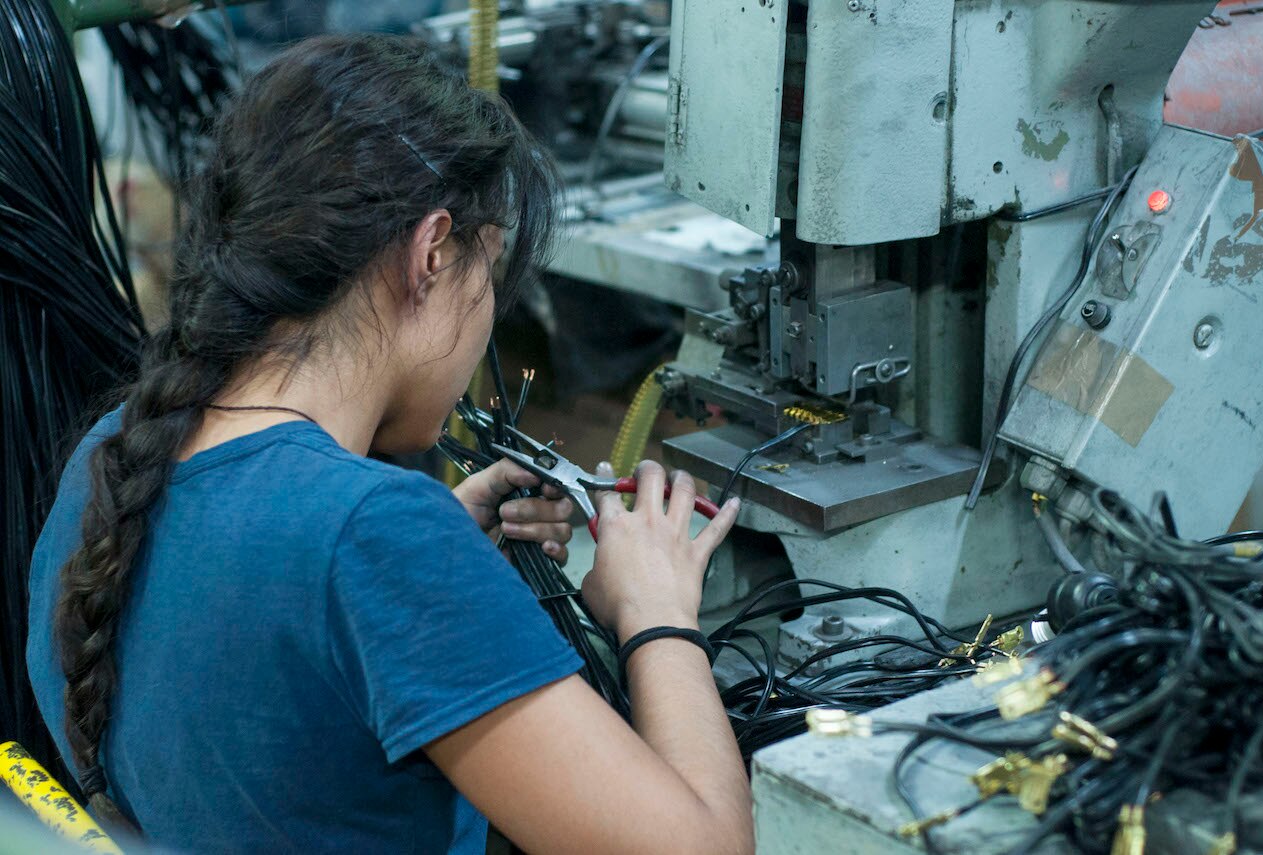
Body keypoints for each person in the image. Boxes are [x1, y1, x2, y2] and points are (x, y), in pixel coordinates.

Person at [26, 34, 751, 854]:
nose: (486, 322)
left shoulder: (108, 459)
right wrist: (658, 613)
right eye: (491, 274)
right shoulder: (373, 536)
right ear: (431, 252)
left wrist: (436, 574)